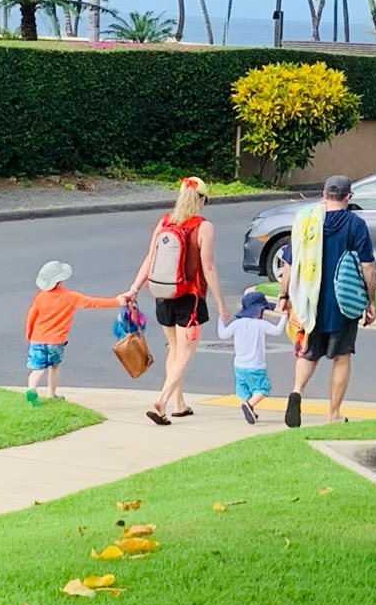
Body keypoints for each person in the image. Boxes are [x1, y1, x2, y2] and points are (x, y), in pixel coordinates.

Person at [128, 176, 229, 426]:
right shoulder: (203, 227)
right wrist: (221, 303)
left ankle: (179, 403)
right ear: (202, 199)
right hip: (190, 298)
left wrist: (134, 288)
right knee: (185, 353)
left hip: (163, 296)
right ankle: (162, 400)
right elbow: (208, 268)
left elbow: (150, 257)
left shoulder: (164, 222)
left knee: (173, 349)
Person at [284, 173, 376, 427]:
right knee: (341, 356)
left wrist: (286, 296)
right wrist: (371, 301)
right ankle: (333, 413)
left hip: (310, 301)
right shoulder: (355, 225)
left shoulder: (307, 222)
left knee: (309, 353)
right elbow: (367, 267)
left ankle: (296, 391)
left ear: (324, 195)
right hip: (342, 303)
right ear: (348, 197)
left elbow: (290, 263)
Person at [23, 260, 125, 403]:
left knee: (37, 369)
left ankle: (31, 389)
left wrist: (29, 333)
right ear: (60, 280)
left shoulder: (40, 297)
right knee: (54, 367)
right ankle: (51, 394)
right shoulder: (70, 297)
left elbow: (31, 315)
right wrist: (117, 301)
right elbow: (92, 302)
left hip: (37, 339)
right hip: (56, 341)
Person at [218, 287, 284, 424]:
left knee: (244, 390)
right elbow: (278, 331)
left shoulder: (237, 323)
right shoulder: (260, 324)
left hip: (239, 365)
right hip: (256, 366)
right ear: (257, 310)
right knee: (262, 389)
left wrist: (221, 320)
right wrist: (285, 316)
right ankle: (249, 405)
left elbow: (223, 334)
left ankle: (249, 408)